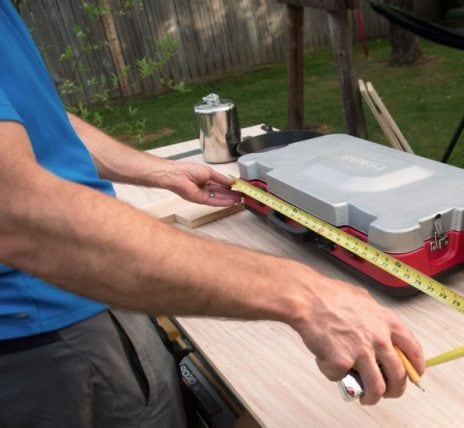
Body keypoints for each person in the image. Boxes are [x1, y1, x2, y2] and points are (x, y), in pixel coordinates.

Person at [0, 1, 425, 426]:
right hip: (43, 337)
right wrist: (310, 297)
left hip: (87, 297)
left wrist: (159, 171)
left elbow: (45, 120)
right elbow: (19, 215)